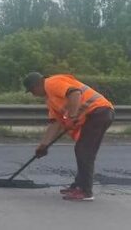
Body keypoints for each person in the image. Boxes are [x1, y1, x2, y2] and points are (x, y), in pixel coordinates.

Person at [24, 72, 114, 202]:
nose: (33, 94)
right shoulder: (51, 100)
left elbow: (75, 93)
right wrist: (44, 145)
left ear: (37, 84)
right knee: (82, 150)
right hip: (96, 115)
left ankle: (85, 191)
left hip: (99, 112)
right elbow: (55, 123)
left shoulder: (51, 83)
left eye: (32, 91)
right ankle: (78, 186)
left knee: (84, 151)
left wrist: (72, 116)